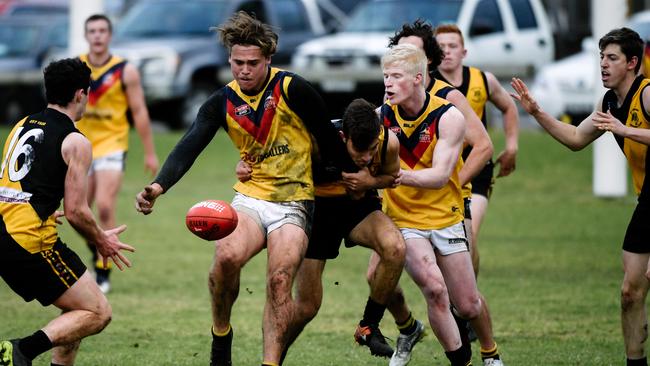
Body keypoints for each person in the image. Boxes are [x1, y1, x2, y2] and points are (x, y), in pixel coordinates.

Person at [134, 11, 352, 366]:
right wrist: (158, 186)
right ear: (229, 59)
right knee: (225, 258)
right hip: (252, 198)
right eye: (238, 63)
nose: (245, 70)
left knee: (280, 280)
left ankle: (269, 363)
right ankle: (221, 340)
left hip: (295, 202)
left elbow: (330, 143)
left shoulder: (293, 89)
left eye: (253, 62)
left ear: (268, 59)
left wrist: (351, 179)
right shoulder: (222, 101)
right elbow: (190, 143)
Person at [511, 27, 650, 366]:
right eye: (601, 57)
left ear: (633, 62)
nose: (603, 64)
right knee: (630, 292)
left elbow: (627, 129)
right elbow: (575, 138)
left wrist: (625, 129)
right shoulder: (609, 102)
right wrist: (537, 112)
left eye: (612, 58)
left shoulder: (647, 94)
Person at [373, 20, 504, 366]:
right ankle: (413, 332)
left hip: (446, 210)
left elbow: (483, 147)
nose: (388, 82)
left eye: (397, 73)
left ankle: (490, 352)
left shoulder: (449, 105)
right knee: (421, 286)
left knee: (469, 302)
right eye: (386, 75)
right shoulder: (383, 112)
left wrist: (450, 185)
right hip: (402, 218)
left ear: (424, 64)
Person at [236, 98, 407, 361]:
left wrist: (369, 180)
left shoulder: (387, 143)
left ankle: (368, 326)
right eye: (358, 150)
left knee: (395, 247)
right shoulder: (313, 140)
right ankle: (274, 358)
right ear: (342, 136)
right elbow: (271, 155)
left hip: (357, 205)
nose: (366, 157)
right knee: (307, 306)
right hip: (317, 210)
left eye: (371, 149)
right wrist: (246, 166)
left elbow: (391, 176)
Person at [0, 58, 135, 366]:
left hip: (5, 232)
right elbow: (76, 211)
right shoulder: (75, 141)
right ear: (80, 94)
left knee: (77, 309)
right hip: (30, 243)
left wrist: (45, 209)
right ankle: (20, 350)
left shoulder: (22, 124)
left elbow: (15, 184)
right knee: (98, 312)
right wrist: (102, 239)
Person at [77, 14, 158, 293]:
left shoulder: (125, 70)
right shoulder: (77, 67)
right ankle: (98, 245)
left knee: (105, 205)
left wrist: (149, 152)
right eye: (92, 31)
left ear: (109, 36)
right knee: (78, 210)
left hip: (113, 144)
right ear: (86, 35)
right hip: (82, 146)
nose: (97, 36)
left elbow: (139, 111)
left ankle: (103, 271)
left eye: (102, 31)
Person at [434, 23, 519, 277]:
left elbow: (509, 107)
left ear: (464, 52)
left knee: (467, 236)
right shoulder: (428, 84)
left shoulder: (483, 80)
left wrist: (512, 146)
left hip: (477, 169)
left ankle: (469, 297)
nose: (447, 52)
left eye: (453, 46)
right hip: (442, 168)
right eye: (441, 47)